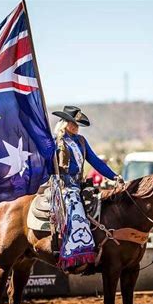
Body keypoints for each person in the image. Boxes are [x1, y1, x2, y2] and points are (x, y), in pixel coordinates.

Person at [52, 106, 122, 273]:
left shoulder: (81, 141)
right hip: (63, 185)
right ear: (65, 123)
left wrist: (113, 176)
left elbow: (95, 161)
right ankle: (75, 255)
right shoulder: (56, 141)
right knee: (76, 213)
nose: (76, 127)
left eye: (77, 124)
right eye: (73, 123)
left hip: (80, 185)